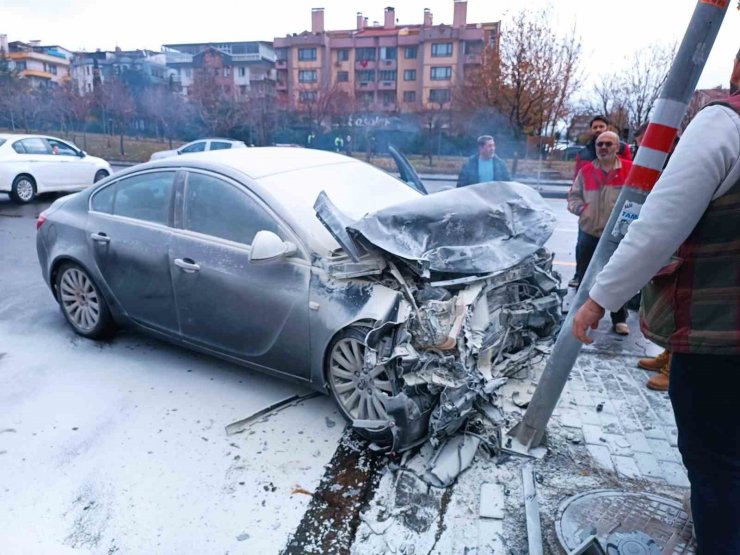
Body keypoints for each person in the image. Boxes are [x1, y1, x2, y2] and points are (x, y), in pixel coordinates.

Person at [572, 50, 740, 554]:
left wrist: (597, 300)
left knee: (718, 471)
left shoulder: (723, 125)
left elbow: (658, 225)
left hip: (720, 341)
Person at [567, 130, 633, 335]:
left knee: (617, 278)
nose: (603, 147)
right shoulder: (586, 171)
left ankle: (619, 318)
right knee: (586, 276)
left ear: (617, 147)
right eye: (599, 144)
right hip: (589, 233)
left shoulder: (630, 170)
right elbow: (573, 197)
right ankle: (581, 317)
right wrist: (582, 210)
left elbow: (639, 198)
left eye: (608, 144)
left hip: (616, 236)